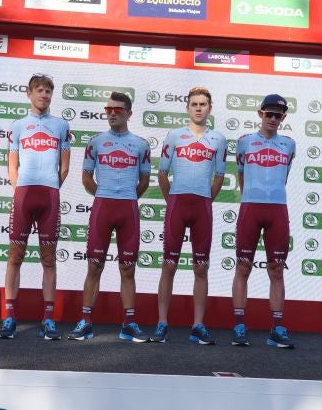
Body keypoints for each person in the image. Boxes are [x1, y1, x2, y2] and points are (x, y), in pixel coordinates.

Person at [69, 92, 151, 341]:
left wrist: (125, 196)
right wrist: (104, 195)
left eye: (118, 110)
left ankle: (129, 323)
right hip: (103, 207)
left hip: (128, 209)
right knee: (94, 266)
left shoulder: (141, 145)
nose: (112, 113)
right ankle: (85, 322)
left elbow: (144, 181)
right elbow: (86, 177)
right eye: (108, 110)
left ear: (129, 113)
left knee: (128, 268)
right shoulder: (96, 142)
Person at [0, 73, 71, 340]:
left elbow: (64, 167)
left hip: (49, 195)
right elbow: (12, 167)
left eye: (48, 91)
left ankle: (48, 319)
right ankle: (9, 317)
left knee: (49, 260)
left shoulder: (61, 126)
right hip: (24, 195)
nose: (44, 95)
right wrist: (21, 192)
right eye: (39, 90)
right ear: (29, 94)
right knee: (14, 257)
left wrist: (51, 187)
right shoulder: (18, 126)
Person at [150, 87, 226, 345]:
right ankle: (162, 323)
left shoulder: (218, 139)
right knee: (169, 265)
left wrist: (206, 200)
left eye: (203, 104)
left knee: (201, 267)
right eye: (194, 104)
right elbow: (162, 174)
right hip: (178, 205)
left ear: (210, 108)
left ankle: (198, 326)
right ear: (187, 108)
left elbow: (219, 176)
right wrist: (172, 201)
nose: (198, 108)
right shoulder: (174, 136)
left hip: (202, 206)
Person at [232, 93, 296, 348]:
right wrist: (251, 197)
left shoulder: (289, 144)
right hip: (251, 207)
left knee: (277, 269)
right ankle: (239, 326)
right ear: (260, 114)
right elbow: (241, 175)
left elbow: (284, 176)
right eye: (268, 114)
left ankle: (277, 329)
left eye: (277, 115)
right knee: (243, 266)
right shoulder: (244, 142)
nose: (272, 119)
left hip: (277, 209)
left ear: (283, 118)